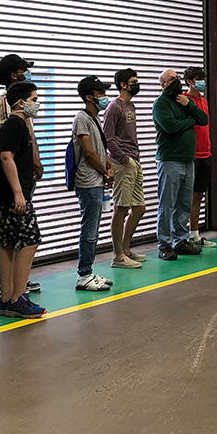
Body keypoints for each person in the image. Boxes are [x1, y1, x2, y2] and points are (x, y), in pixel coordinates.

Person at [0, 81, 46, 319]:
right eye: (34, 99)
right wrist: (18, 193)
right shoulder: (15, 123)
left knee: (8, 243)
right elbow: (6, 157)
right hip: (12, 196)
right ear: (21, 102)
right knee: (31, 240)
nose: (37, 104)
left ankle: (6, 300)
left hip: (7, 196)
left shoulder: (16, 124)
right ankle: (18, 297)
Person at [153, 69, 209, 261]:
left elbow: (203, 120)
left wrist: (189, 106)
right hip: (170, 160)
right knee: (167, 204)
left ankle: (181, 240)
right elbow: (171, 127)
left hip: (188, 160)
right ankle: (165, 244)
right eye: (171, 79)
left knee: (184, 203)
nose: (175, 81)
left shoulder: (183, 101)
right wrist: (189, 120)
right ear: (162, 85)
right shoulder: (161, 104)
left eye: (177, 78)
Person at [73, 75, 115, 291]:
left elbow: (100, 148)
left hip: (97, 179)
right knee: (89, 230)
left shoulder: (95, 118)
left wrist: (108, 165)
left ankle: (88, 271)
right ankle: (84, 275)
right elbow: (88, 152)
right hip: (88, 182)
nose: (105, 97)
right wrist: (104, 172)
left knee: (94, 230)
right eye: (101, 94)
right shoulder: (81, 118)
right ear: (89, 97)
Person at [104, 68, 147, 269]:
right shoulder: (114, 107)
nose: (136, 84)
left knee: (139, 208)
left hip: (134, 161)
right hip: (123, 163)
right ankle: (118, 255)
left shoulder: (131, 106)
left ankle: (126, 248)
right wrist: (124, 158)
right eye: (133, 81)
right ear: (123, 84)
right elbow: (109, 138)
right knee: (121, 208)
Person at [184, 66, 217, 248]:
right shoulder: (184, 100)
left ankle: (195, 234)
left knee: (199, 195)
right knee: (186, 197)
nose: (202, 82)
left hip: (206, 154)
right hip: (191, 155)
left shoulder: (203, 101)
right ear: (190, 81)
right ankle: (181, 235)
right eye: (198, 79)